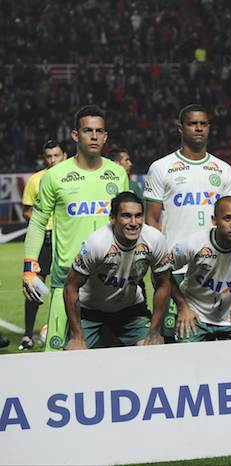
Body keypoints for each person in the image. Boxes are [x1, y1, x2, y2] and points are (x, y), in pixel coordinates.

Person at [22, 106, 129, 352]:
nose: (93, 136)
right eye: (87, 130)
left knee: (114, 362)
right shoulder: (56, 176)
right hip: (67, 283)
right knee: (57, 362)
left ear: (105, 136)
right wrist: (29, 267)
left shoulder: (118, 174)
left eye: (99, 131)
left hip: (111, 284)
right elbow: (37, 222)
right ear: (75, 135)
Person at [144, 104, 231, 342]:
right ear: (180, 128)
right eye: (192, 124)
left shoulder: (224, 171)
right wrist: (158, 261)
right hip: (174, 267)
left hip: (214, 268)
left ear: (209, 128)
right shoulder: (161, 168)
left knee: (217, 338)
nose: (198, 128)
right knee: (174, 340)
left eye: (203, 124)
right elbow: (152, 219)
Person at [63, 192, 171, 349]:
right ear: (112, 218)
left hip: (131, 311)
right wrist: (77, 336)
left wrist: (154, 331)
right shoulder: (96, 243)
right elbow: (70, 287)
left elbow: (163, 283)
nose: (134, 222)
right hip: (90, 312)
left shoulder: (155, 240)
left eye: (138, 216)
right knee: (75, 356)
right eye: (126, 216)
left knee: (152, 351)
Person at [170, 196, 231, 342]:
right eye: (227, 218)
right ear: (214, 220)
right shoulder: (192, 243)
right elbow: (161, 271)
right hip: (195, 314)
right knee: (186, 358)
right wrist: (183, 307)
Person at [19, 140, 67, 350]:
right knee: (34, 285)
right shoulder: (36, 180)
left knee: (72, 284)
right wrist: (43, 220)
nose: (52, 160)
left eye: (56, 155)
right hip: (46, 240)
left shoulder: (71, 176)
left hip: (66, 237)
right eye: (49, 156)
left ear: (64, 155)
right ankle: (28, 334)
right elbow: (27, 210)